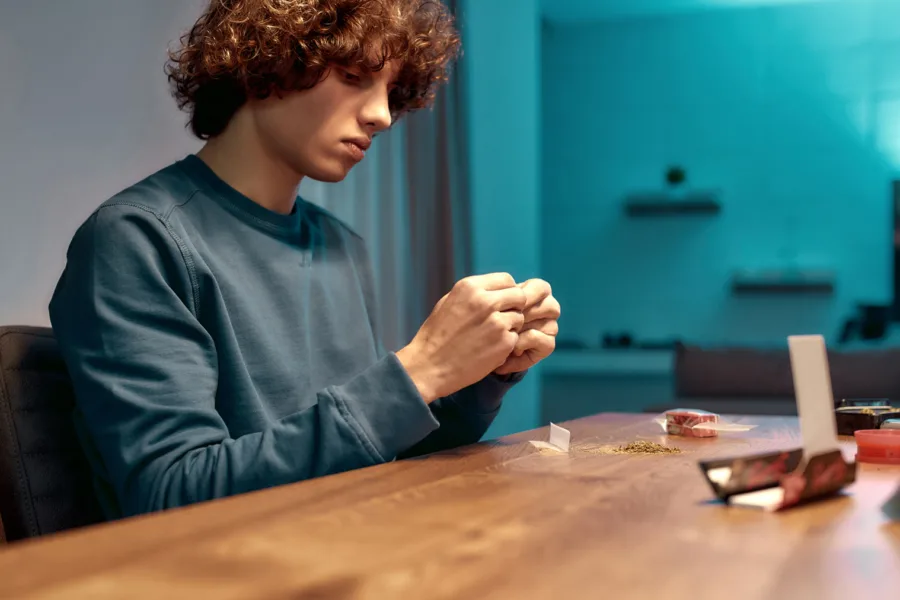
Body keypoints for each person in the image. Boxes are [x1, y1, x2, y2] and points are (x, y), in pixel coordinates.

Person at [49, 0, 560, 520]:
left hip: (352, 548)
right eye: (354, 75)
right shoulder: (137, 239)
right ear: (264, 61)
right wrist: (417, 371)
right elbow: (173, 492)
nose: (383, 115)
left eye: (391, 91)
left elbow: (373, 455)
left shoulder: (341, 244)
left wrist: (478, 377)